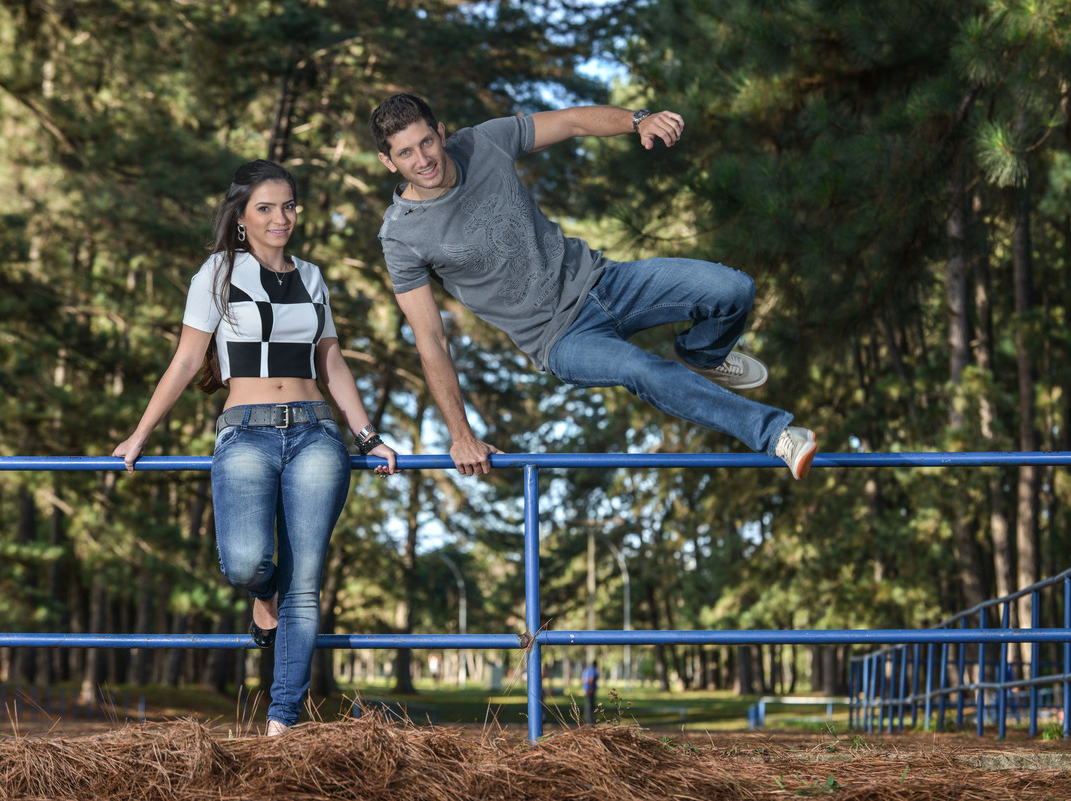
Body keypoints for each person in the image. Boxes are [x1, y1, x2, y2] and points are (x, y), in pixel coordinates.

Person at [369, 94, 817, 479]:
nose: (423, 159)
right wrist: (461, 435)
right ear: (388, 162)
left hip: (607, 282)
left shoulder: (481, 142)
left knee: (733, 289)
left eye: (426, 141)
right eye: (406, 153)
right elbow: (430, 339)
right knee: (642, 370)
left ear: (441, 133)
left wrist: (637, 119)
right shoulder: (402, 237)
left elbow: (569, 122)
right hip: (560, 338)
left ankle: (704, 354)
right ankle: (777, 435)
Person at [113, 159, 399, 737]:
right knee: (245, 563)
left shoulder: (313, 276)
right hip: (244, 430)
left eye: (288, 206)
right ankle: (262, 601)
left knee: (305, 584)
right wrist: (141, 433)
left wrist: (368, 435)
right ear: (241, 217)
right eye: (265, 208)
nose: (280, 217)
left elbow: (331, 361)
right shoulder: (217, 274)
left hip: (318, 432)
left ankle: (282, 721)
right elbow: (189, 359)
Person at [581, 660, 599, 725]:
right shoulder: (594, 670)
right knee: (591, 705)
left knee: (587, 705)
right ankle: (591, 720)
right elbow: (591, 679)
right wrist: (590, 688)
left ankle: (587, 719)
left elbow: (583, 680)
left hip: (586, 689)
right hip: (591, 689)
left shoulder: (586, 670)